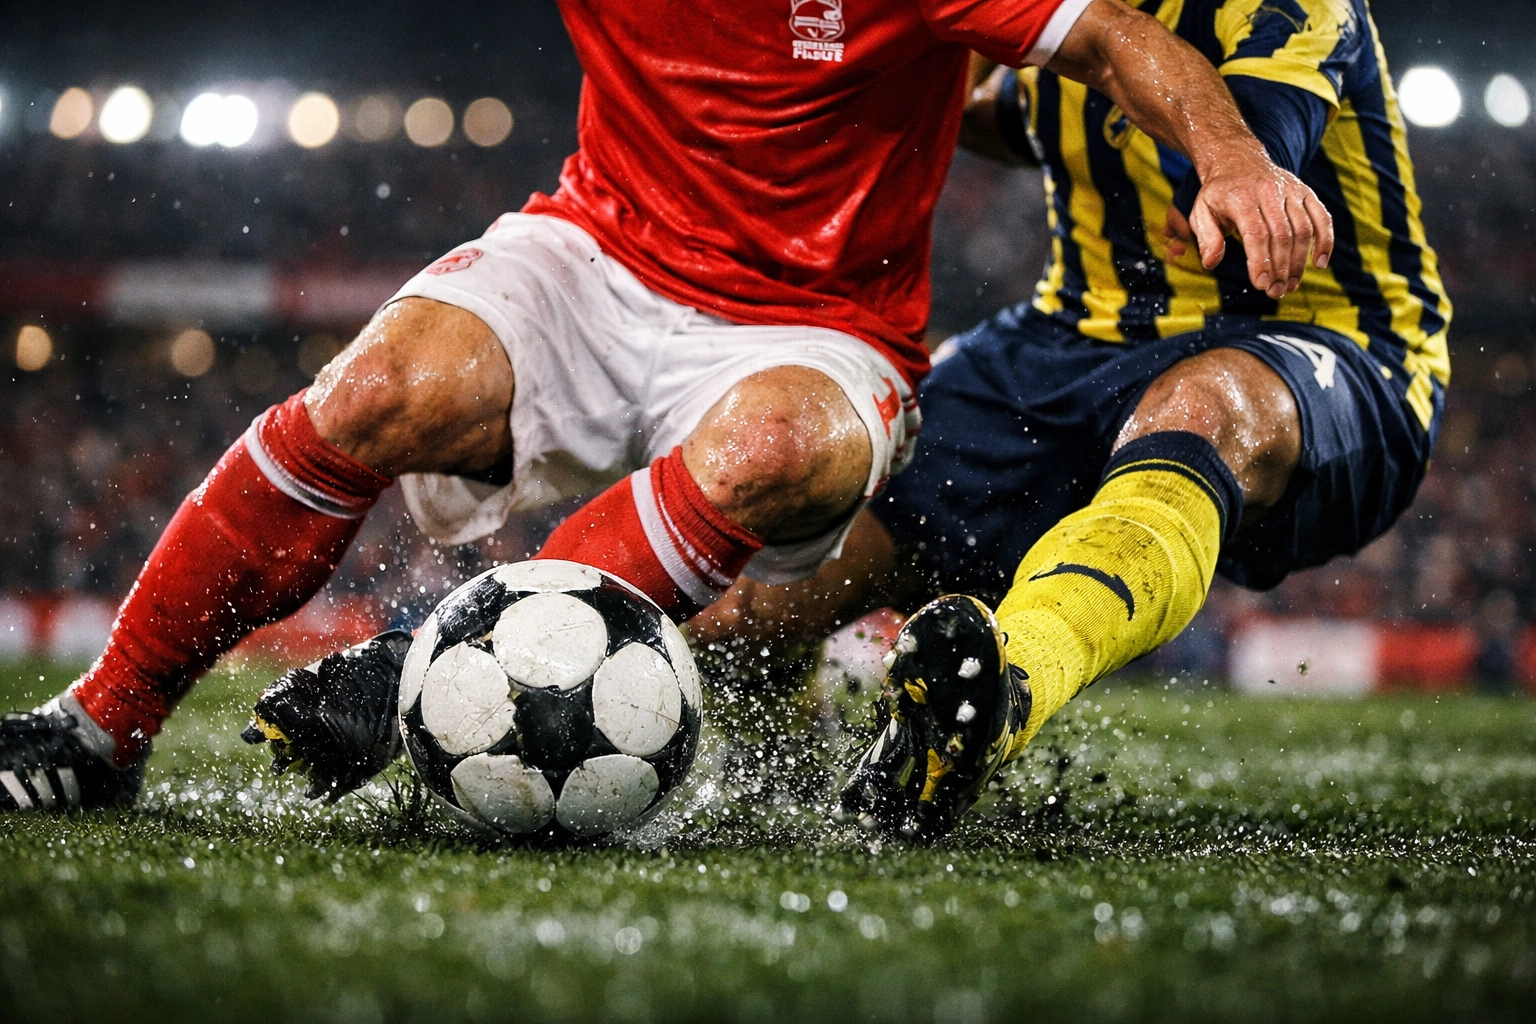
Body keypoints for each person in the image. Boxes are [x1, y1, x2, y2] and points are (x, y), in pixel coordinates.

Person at [0, 0, 1330, 813]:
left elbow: (1103, 33)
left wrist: (1229, 160)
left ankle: (419, 663)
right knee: (376, 387)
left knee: (781, 449)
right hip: (598, 247)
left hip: (822, 322)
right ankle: (100, 724)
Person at [692, 0, 1450, 840]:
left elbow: (1248, 149)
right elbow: (990, 118)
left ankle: (1005, 686)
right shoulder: (1053, 24)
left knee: (1202, 405)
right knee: (763, 603)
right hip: (1067, 346)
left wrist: (1230, 168)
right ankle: (781, 742)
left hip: (1326, 346)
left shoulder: (1288, 8)